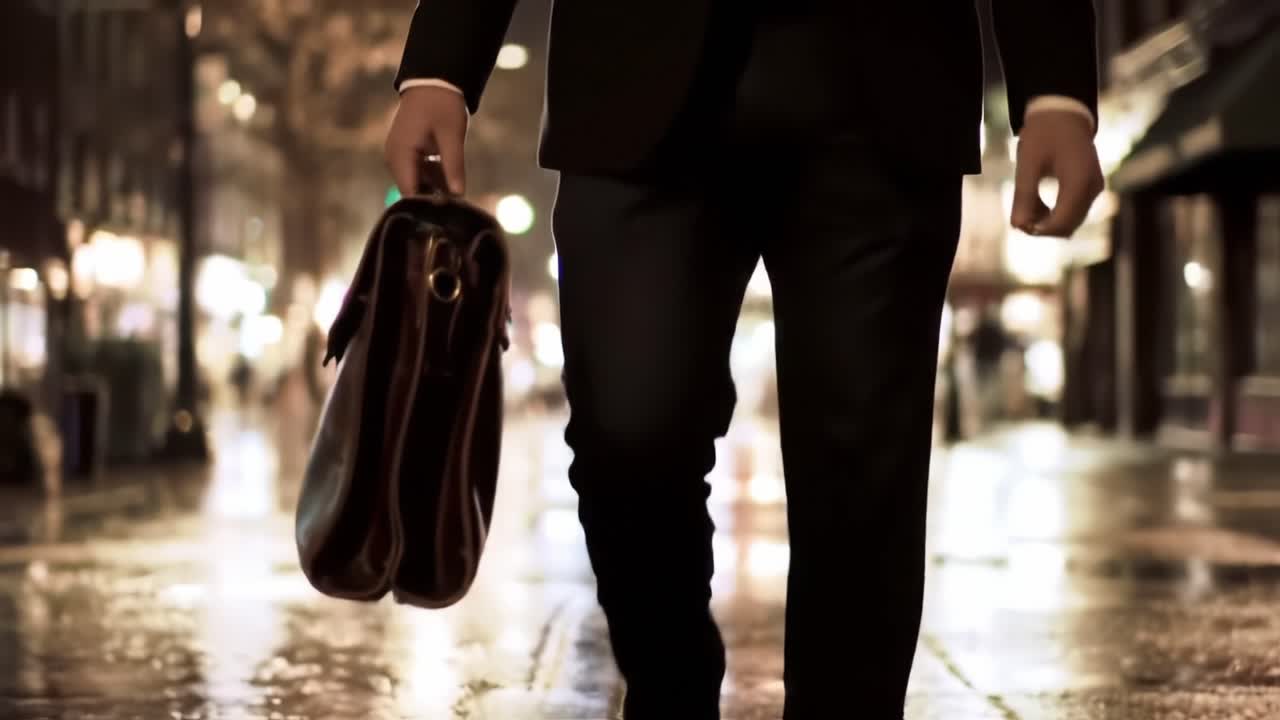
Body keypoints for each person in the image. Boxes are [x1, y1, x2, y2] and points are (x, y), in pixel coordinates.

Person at [385, 2, 1103, 718]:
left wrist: (1055, 86)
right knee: (626, 436)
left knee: (864, 467)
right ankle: (670, 694)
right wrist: (442, 67)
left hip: (887, 78)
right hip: (630, 77)